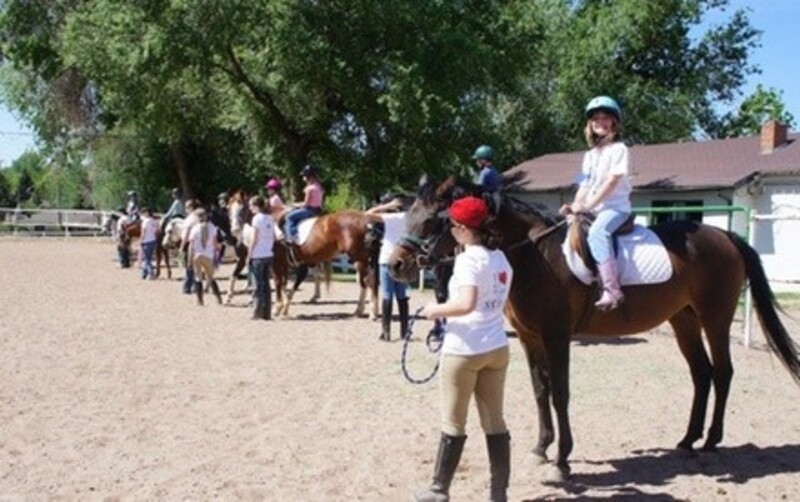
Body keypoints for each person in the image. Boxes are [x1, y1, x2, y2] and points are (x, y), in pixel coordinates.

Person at [414, 196, 513, 502]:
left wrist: (435, 309)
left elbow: (466, 304)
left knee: (453, 422)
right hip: (496, 346)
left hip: (464, 349)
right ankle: (499, 494)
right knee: (495, 422)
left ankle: (439, 488)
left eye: (453, 226)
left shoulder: (468, 260)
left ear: (461, 229)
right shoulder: (501, 259)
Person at [559, 95, 631, 311]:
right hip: (593, 208)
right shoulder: (589, 156)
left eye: (606, 118)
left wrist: (588, 206)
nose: (600, 122)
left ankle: (612, 289)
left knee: (598, 233)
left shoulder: (619, 149)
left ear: (614, 123)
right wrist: (574, 205)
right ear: (590, 124)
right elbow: (583, 183)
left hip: (615, 209)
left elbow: (611, 182)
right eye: (596, 118)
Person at [365, 193, 410, 342]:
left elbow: (367, 214)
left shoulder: (390, 218)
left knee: (387, 294)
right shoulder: (409, 217)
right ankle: (404, 331)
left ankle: (386, 332)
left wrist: (386, 206)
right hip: (402, 259)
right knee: (402, 295)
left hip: (386, 258)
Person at [247, 195, 275, 320]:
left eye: (251, 206)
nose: (250, 208)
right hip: (268, 253)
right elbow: (273, 236)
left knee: (257, 284)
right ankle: (266, 312)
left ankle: (256, 311)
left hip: (258, 254)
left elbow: (254, 238)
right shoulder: (270, 218)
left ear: (256, 206)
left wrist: (249, 254)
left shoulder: (256, 219)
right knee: (266, 284)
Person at [187, 208, 222, 305]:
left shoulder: (194, 228)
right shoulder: (213, 228)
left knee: (198, 278)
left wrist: (189, 259)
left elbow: (191, 245)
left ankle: (200, 300)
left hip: (197, 255)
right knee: (210, 277)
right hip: (208, 255)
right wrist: (219, 248)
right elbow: (215, 244)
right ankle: (218, 298)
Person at [284, 164, 324, 244]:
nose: (303, 178)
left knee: (289, 217)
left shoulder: (309, 189)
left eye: (304, 176)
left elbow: (306, 204)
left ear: (308, 176)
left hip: (309, 210)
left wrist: (294, 205)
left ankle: (291, 237)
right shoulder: (319, 187)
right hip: (318, 210)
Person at [180, 199, 201, 294]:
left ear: (191, 207)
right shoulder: (199, 217)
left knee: (187, 265)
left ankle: (187, 286)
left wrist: (182, 246)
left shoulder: (191, 219)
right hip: (199, 244)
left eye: (187, 207)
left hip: (189, 244)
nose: (185, 209)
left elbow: (186, 234)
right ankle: (194, 285)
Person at [139, 207, 159, 280]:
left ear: (146, 213)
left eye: (143, 213)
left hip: (146, 241)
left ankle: (151, 273)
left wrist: (141, 240)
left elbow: (143, 232)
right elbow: (156, 232)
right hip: (153, 240)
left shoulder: (145, 221)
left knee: (147, 259)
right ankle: (144, 273)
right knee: (148, 257)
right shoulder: (154, 221)